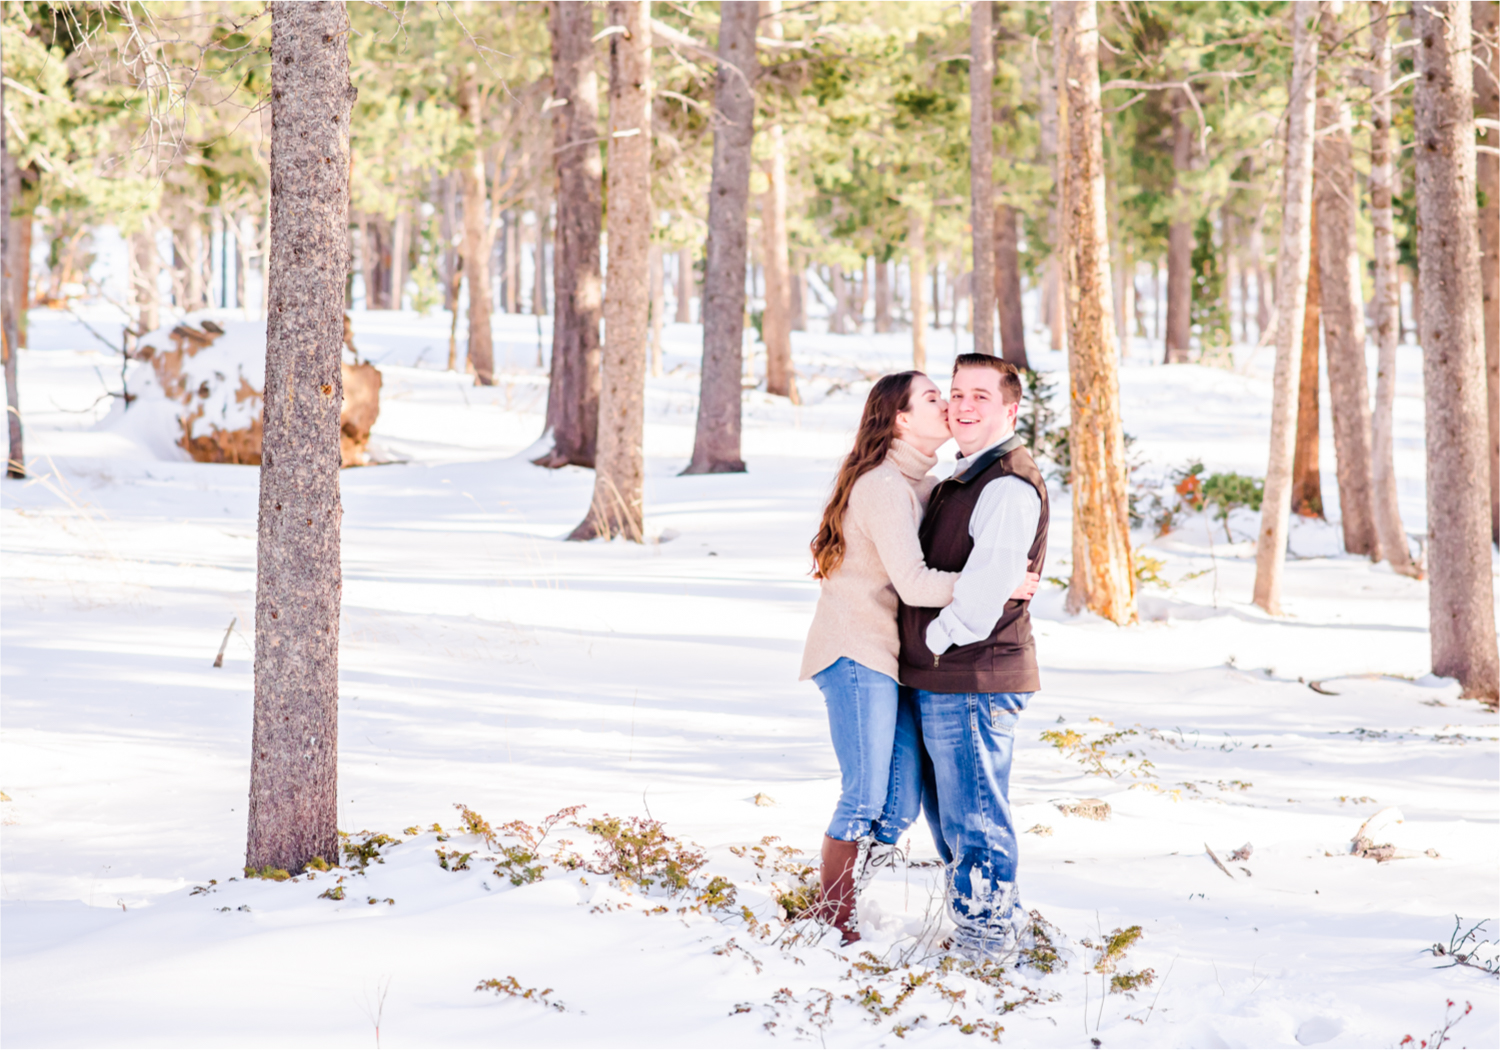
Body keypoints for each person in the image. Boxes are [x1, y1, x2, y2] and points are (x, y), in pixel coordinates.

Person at [800, 370, 1038, 946]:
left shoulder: (928, 484)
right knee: (864, 791)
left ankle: (850, 891)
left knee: (900, 801)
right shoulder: (884, 485)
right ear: (903, 419)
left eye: (956, 396)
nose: (951, 407)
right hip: (856, 651)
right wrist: (995, 583)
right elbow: (913, 583)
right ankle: (834, 919)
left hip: (894, 657)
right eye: (937, 398)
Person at [897, 353, 1048, 961]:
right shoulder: (966, 475)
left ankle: (985, 947)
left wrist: (933, 642)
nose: (961, 405)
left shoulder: (1006, 484)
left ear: (1010, 409)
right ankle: (992, 926)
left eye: (980, 396)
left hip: (975, 675)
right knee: (956, 819)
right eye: (955, 393)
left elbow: (983, 596)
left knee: (976, 816)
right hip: (951, 677)